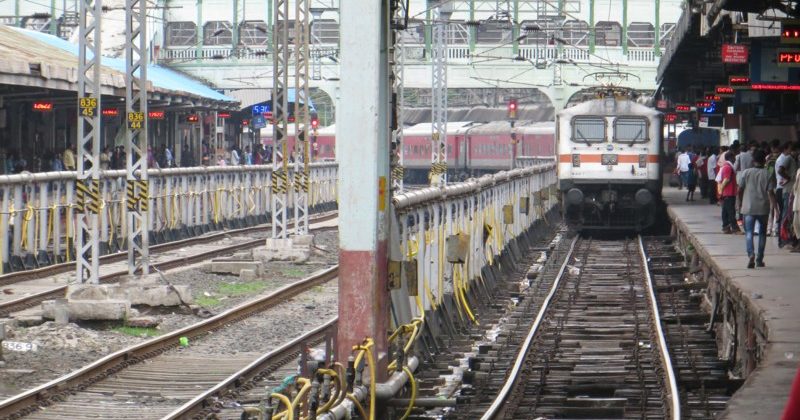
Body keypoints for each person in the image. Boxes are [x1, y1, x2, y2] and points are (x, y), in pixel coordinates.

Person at [738, 150, 770, 268]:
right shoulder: (767, 174)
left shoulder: (746, 173)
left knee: (749, 233)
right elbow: (770, 192)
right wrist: (775, 207)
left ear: (753, 161)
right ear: (764, 161)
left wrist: (740, 202)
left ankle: (751, 254)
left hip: (748, 207)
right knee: (762, 234)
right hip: (763, 208)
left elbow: (740, 190)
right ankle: (759, 259)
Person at [776, 142, 797, 246]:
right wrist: (788, 178)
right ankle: (783, 239)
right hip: (788, 191)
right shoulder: (788, 158)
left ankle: (786, 238)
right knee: (786, 215)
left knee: (788, 215)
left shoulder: (791, 159)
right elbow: (780, 170)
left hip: (790, 190)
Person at [718, 151, 739, 234]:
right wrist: (721, 190)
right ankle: (735, 228)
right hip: (729, 192)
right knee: (731, 211)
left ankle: (725, 227)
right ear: (730, 158)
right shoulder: (728, 167)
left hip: (728, 192)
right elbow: (726, 180)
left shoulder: (726, 166)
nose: (735, 159)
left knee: (726, 210)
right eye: (734, 158)